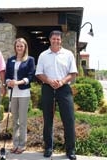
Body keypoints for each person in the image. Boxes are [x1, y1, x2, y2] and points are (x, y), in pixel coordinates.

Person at [35, 30, 77, 160]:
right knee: (48, 120)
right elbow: (39, 73)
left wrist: (62, 81)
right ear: (50, 39)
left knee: (69, 120)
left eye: (58, 39)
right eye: (54, 39)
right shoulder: (43, 55)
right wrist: (49, 81)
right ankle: (48, 147)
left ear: (61, 40)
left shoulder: (68, 54)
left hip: (64, 89)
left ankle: (70, 150)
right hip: (47, 88)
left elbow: (73, 73)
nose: (56, 41)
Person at [5, 38, 35, 154]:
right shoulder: (11, 60)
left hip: (23, 93)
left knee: (22, 120)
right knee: (14, 120)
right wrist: (9, 82)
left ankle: (22, 145)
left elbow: (31, 76)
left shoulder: (30, 60)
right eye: (17, 46)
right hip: (12, 93)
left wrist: (18, 82)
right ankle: (15, 144)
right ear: (15, 47)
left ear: (25, 47)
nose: (19, 48)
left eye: (21, 46)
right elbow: (7, 75)